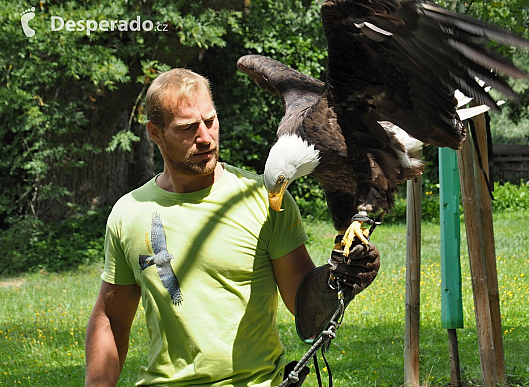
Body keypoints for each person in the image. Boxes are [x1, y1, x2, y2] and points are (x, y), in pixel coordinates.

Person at [85, 68, 379, 387]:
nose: (204, 137)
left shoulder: (263, 201)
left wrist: (337, 277)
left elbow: (307, 314)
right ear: (155, 133)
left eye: (210, 121)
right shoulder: (129, 213)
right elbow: (111, 320)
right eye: (187, 128)